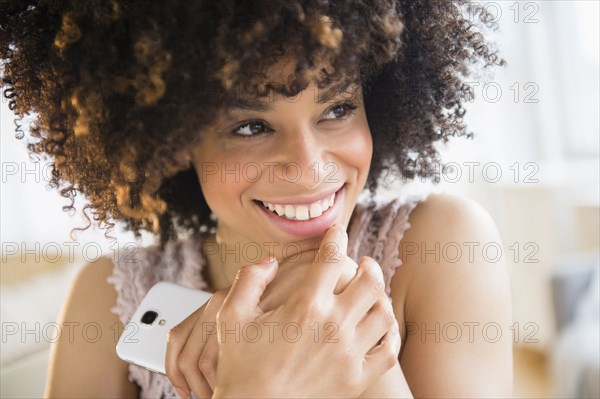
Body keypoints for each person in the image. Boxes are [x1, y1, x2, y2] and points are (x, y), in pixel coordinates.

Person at [0, 0, 513, 397]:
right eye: (251, 126)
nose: (309, 165)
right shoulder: (106, 299)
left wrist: (344, 336)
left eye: (336, 108)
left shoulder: (444, 243)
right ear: (175, 141)